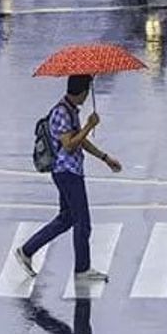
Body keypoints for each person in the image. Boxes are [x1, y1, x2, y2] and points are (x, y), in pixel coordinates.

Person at [16, 75, 121, 282]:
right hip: (67, 173)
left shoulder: (70, 110)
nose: (87, 96)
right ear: (81, 92)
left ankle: (27, 250)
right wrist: (89, 126)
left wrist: (105, 158)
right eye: (87, 91)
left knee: (67, 218)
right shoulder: (61, 112)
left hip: (70, 171)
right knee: (83, 222)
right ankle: (82, 269)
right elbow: (69, 144)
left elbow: (80, 141)